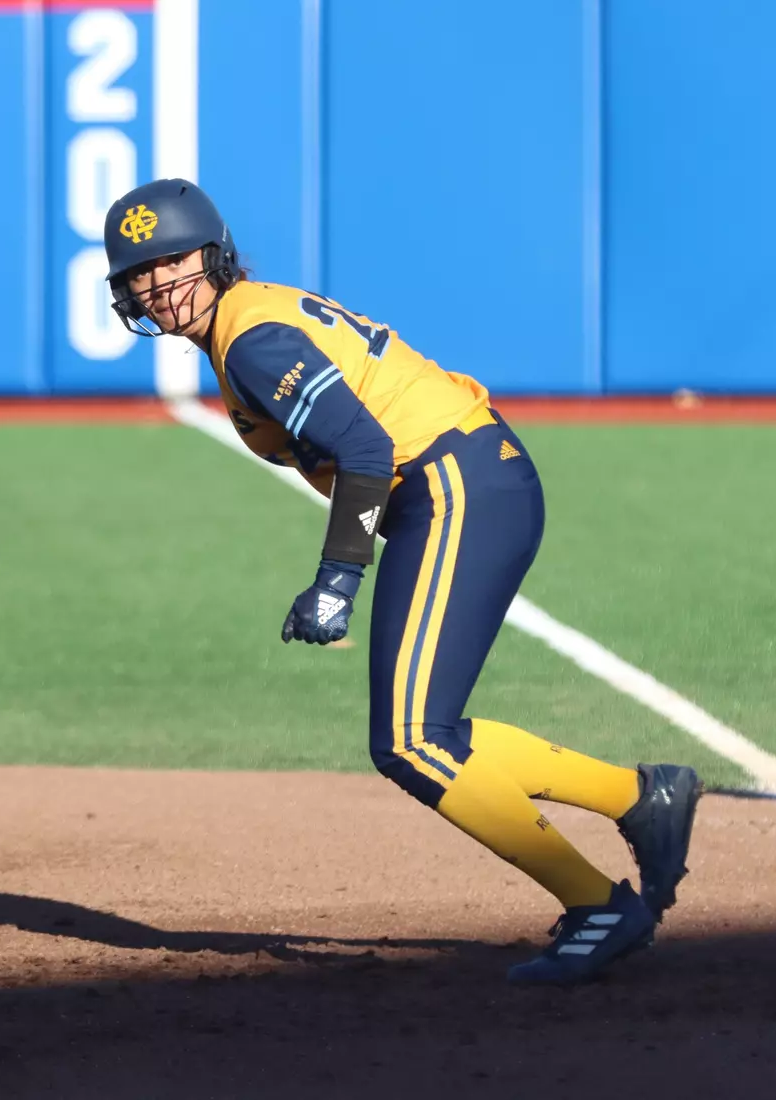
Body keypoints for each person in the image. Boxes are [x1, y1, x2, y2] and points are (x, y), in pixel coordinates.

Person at [101, 178, 702, 985]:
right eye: (138, 273)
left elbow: (366, 451)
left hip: (452, 484)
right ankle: (639, 797)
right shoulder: (244, 328)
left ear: (213, 256)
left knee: (412, 741)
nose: (156, 284)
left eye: (170, 260)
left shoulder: (250, 338)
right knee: (428, 731)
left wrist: (336, 578)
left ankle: (600, 905)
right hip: (465, 481)